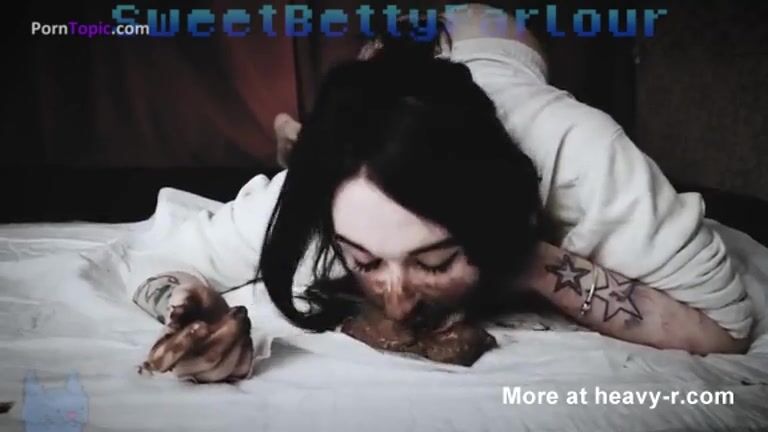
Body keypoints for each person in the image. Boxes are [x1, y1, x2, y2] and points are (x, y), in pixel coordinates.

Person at [129, 3, 754, 383]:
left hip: (493, 31)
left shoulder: (581, 152)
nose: (397, 302)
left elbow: (725, 330)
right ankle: (299, 138)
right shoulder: (328, 191)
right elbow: (159, 260)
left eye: (434, 261)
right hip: (386, 59)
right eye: (364, 260)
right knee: (354, 105)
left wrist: (525, 259)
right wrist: (188, 311)